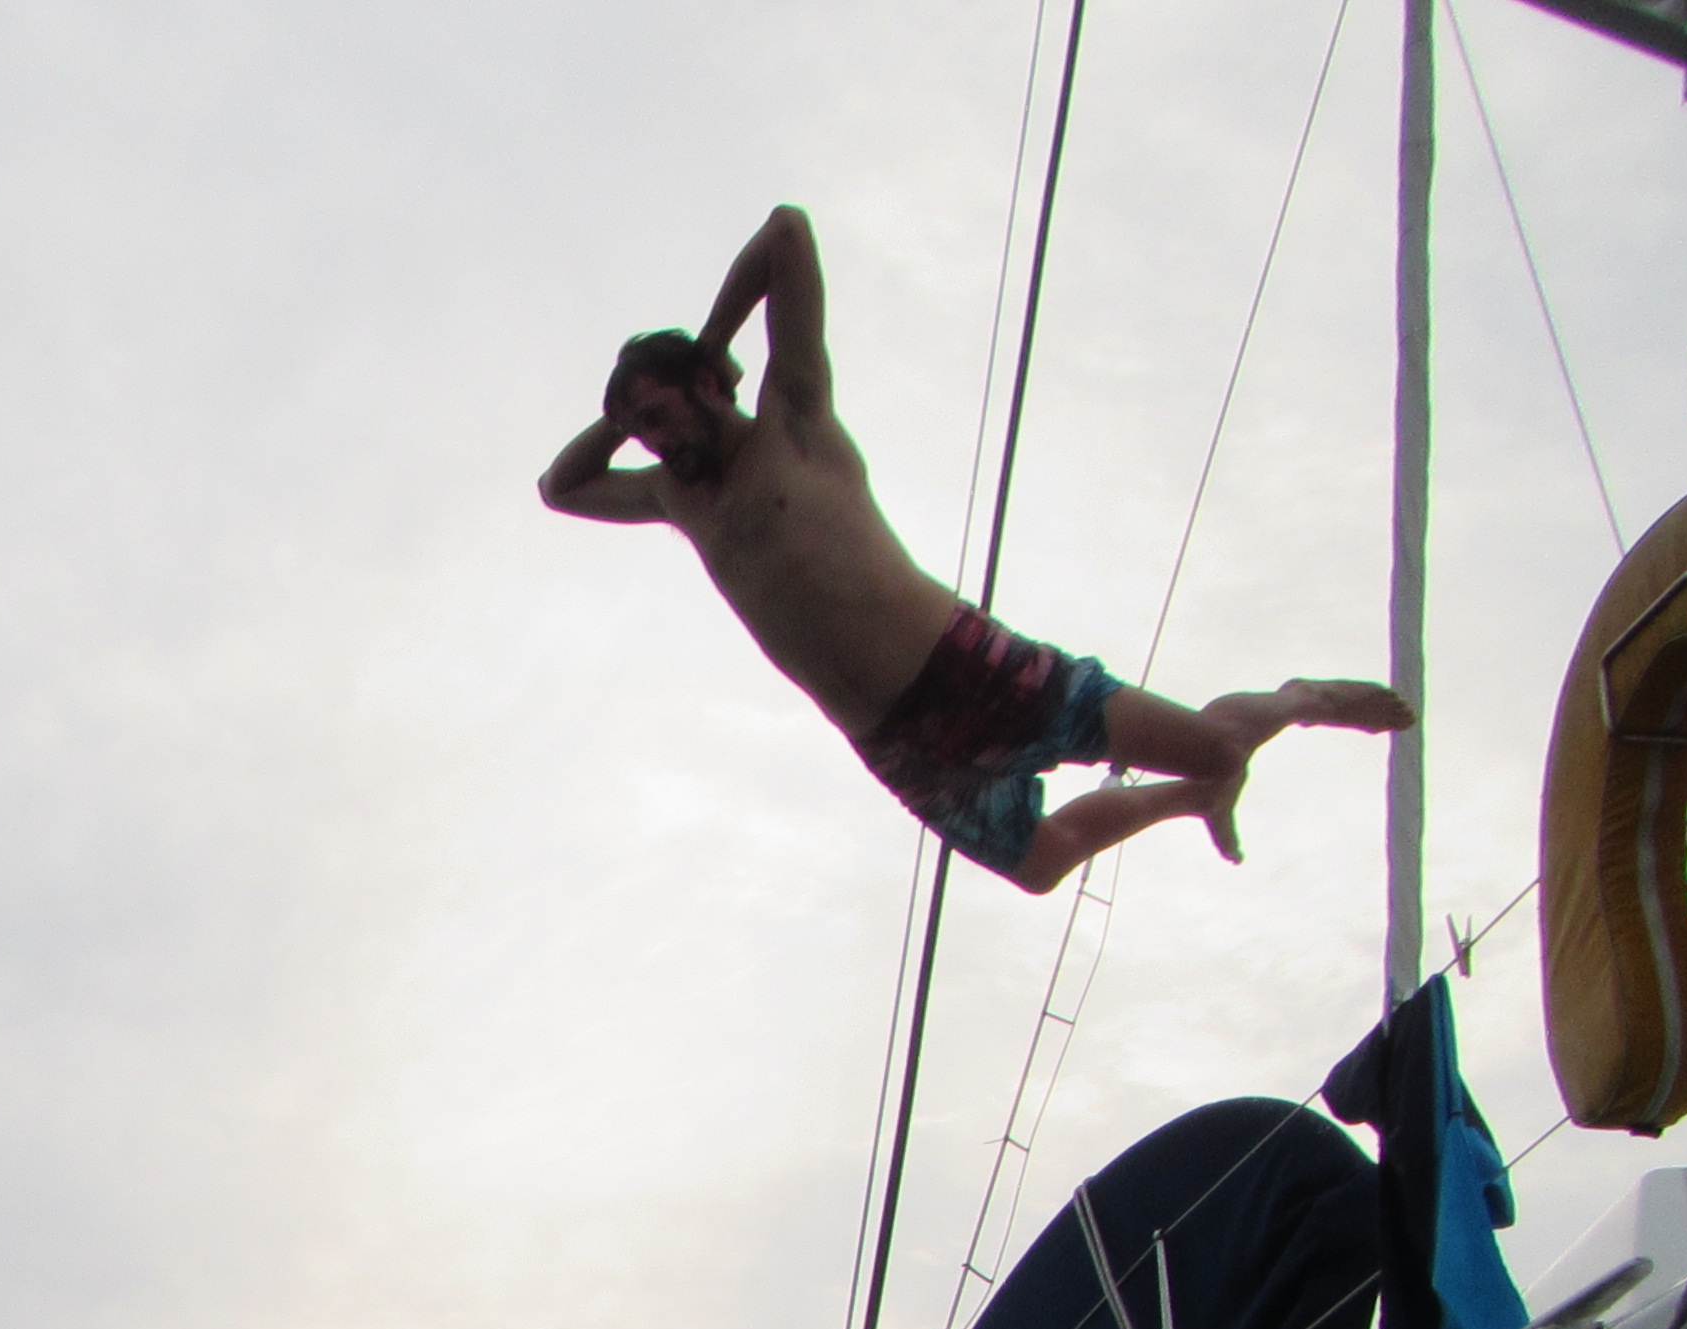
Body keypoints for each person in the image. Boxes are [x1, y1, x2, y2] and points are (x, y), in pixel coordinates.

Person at [539, 205, 1408, 895]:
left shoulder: (791, 418)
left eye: (657, 417)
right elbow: (559, 487)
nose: (652, 442)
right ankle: (1190, 800)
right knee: (1041, 866)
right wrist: (619, 416)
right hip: (892, 741)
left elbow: (787, 233)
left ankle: (1301, 698)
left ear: (704, 385)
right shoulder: (674, 498)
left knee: (1217, 747)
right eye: (638, 431)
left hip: (969, 670)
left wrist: (712, 342)